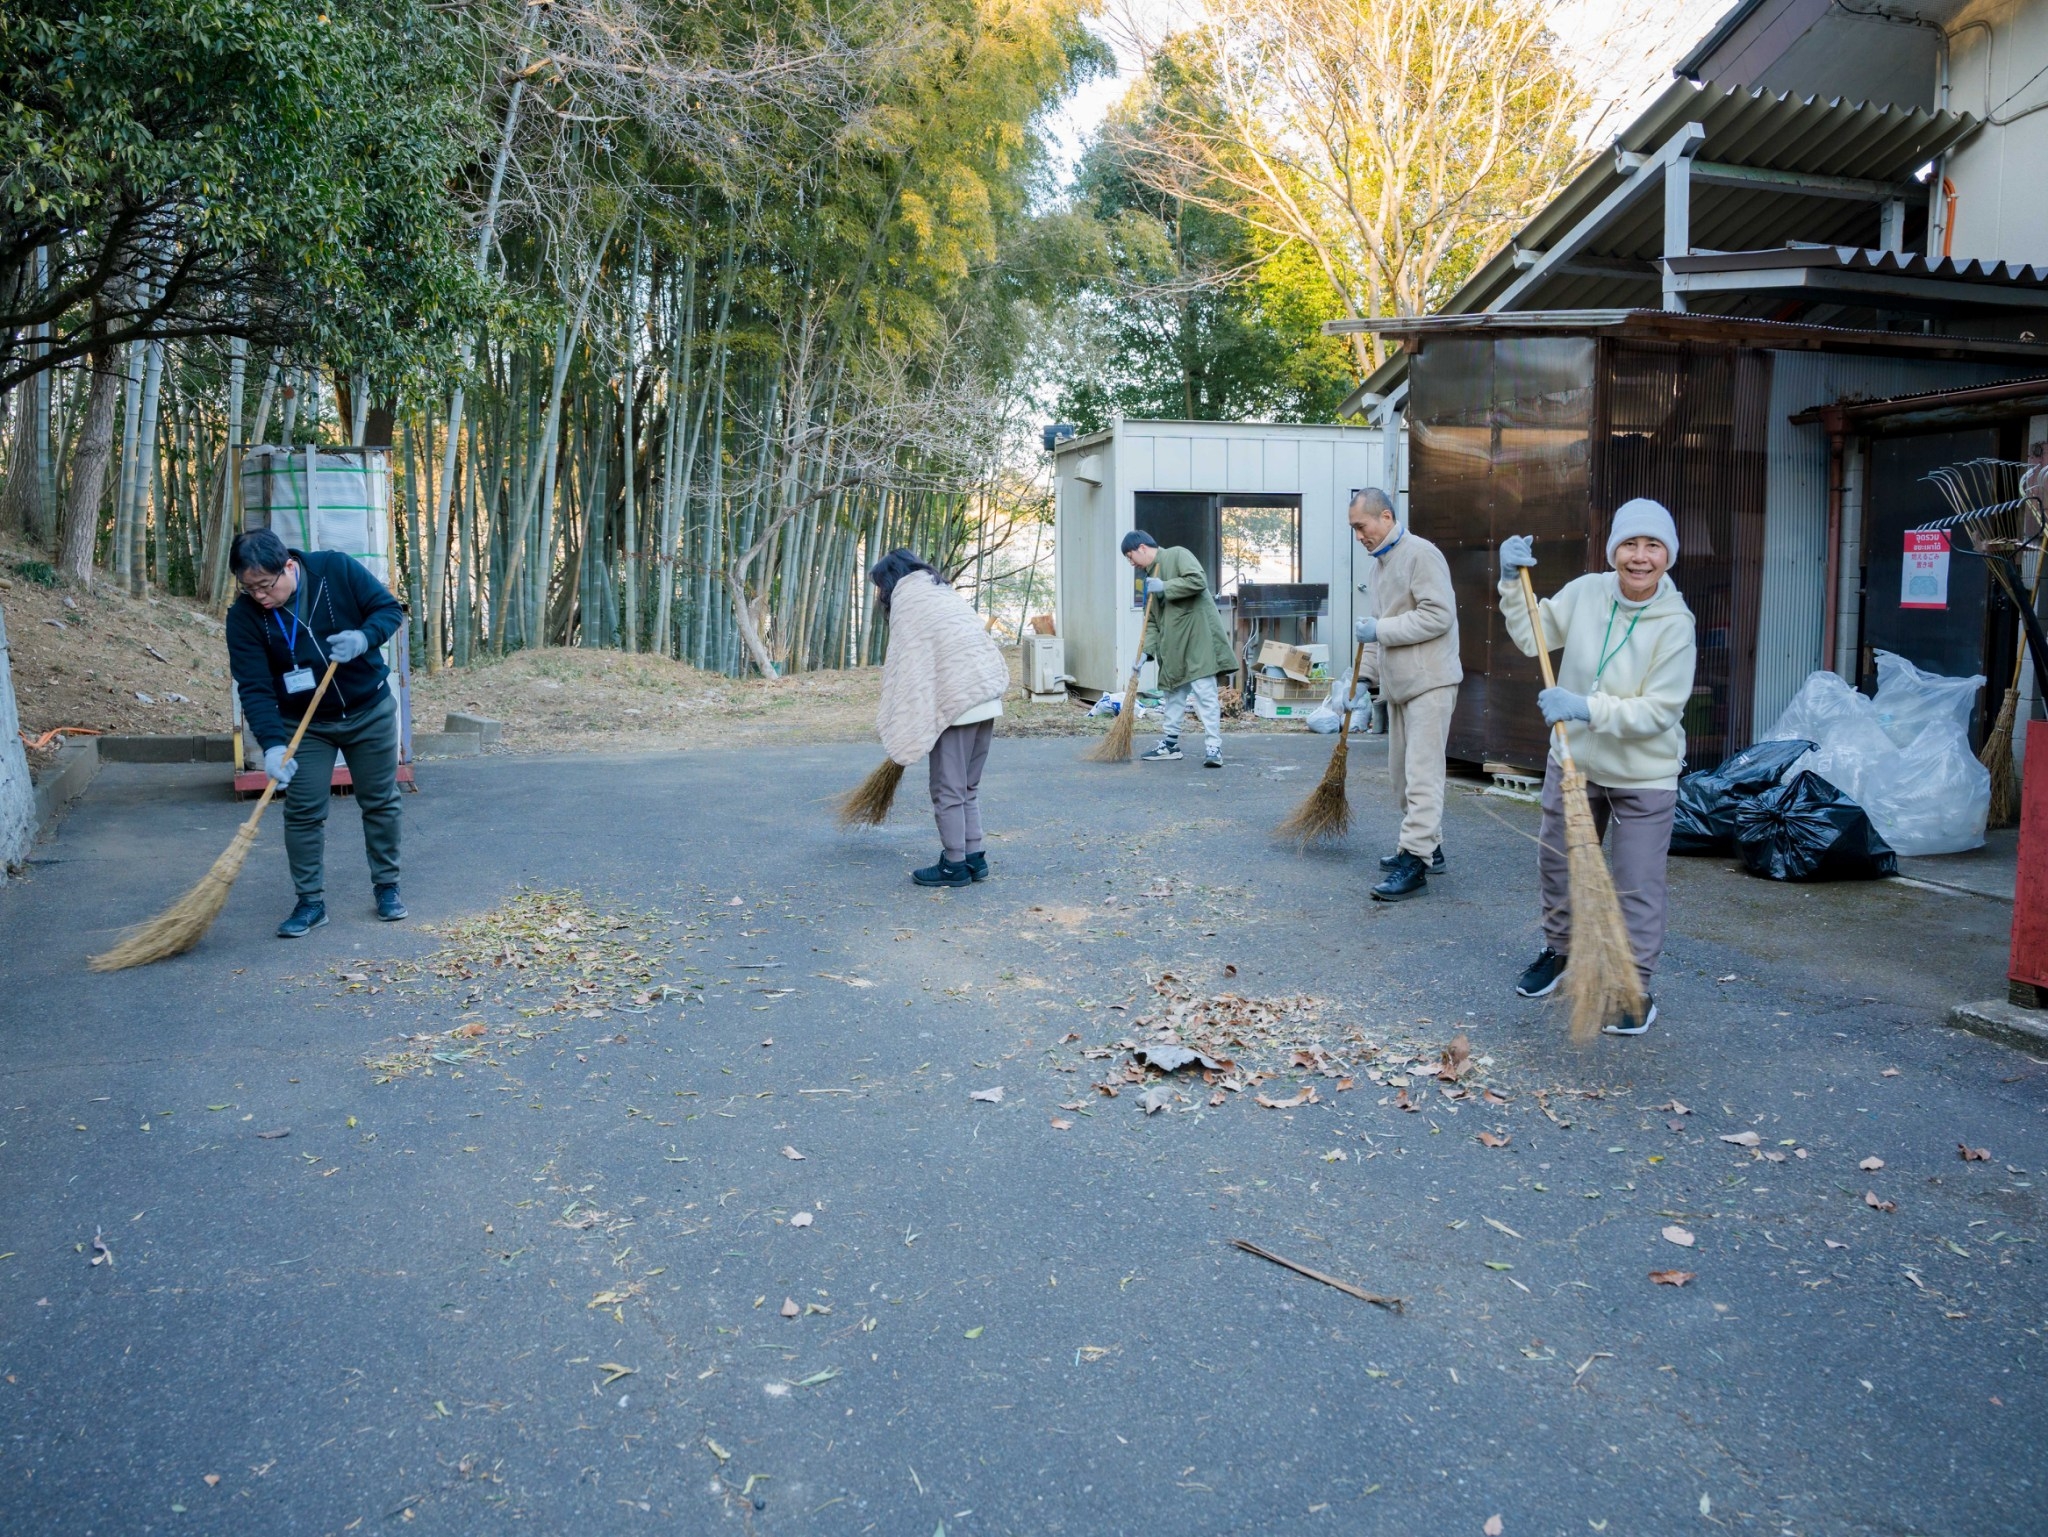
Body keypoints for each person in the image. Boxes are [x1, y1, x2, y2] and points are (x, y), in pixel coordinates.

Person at [1498, 498, 1698, 1035]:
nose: (1639, 557)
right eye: (1629, 545)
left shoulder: (1676, 624)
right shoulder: (1588, 591)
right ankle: (1560, 953)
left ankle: (1633, 986)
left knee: (1637, 882)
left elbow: (1661, 711)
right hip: (1574, 760)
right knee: (1559, 865)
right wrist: (1511, 583)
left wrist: (1586, 707)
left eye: (1652, 546)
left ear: (1668, 555)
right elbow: (1531, 636)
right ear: (1614, 550)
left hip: (1643, 774)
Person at [225, 528, 408, 937]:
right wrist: (272, 746)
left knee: (380, 802)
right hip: (304, 725)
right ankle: (310, 901)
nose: (259, 596)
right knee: (303, 811)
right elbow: (253, 687)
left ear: (288, 566)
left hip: (369, 709)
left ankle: (387, 887)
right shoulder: (244, 616)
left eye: (265, 585)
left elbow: (388, 610)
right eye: (248, 588)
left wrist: (364, 637)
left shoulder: (334, 570)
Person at [870, 549, 1011, 888]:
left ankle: (953, 864)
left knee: (946, 789)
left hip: (957, 703)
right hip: (985, 696)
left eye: (879, 587)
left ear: (891, 580)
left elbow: (909, 667)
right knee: (967, 786)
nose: (880, 595)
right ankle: (974, 858)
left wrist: (907, 718)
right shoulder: (941, 591)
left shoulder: (909, 599)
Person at [1349, 488, 1461, 901]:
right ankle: (1432, 847)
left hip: (1430, 681)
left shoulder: (1421, 554)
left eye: (1362, 526)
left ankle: (1416, 860)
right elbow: (1378, 637)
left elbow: (1438, 616)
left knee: (1421, 775)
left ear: (1386, 516)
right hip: (1400, 688)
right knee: (1402, 778)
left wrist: (1380, 630)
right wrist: (1361, 681)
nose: (1358, 535)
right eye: (1354, 529)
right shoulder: (1381, 568)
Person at [1121, 529, 1237, 768]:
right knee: (1173, 694)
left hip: (1197, 640)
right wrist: (1145, 653)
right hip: (1172, 646)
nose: (1130, 562)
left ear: (1142, 548)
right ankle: (1170, 745)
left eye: (1130, 555)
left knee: (1205, 694)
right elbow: (1151, 621)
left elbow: (1198, 581)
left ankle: (1214, 748)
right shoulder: (1147, 580)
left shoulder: (1177, 555)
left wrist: (1165, 586)